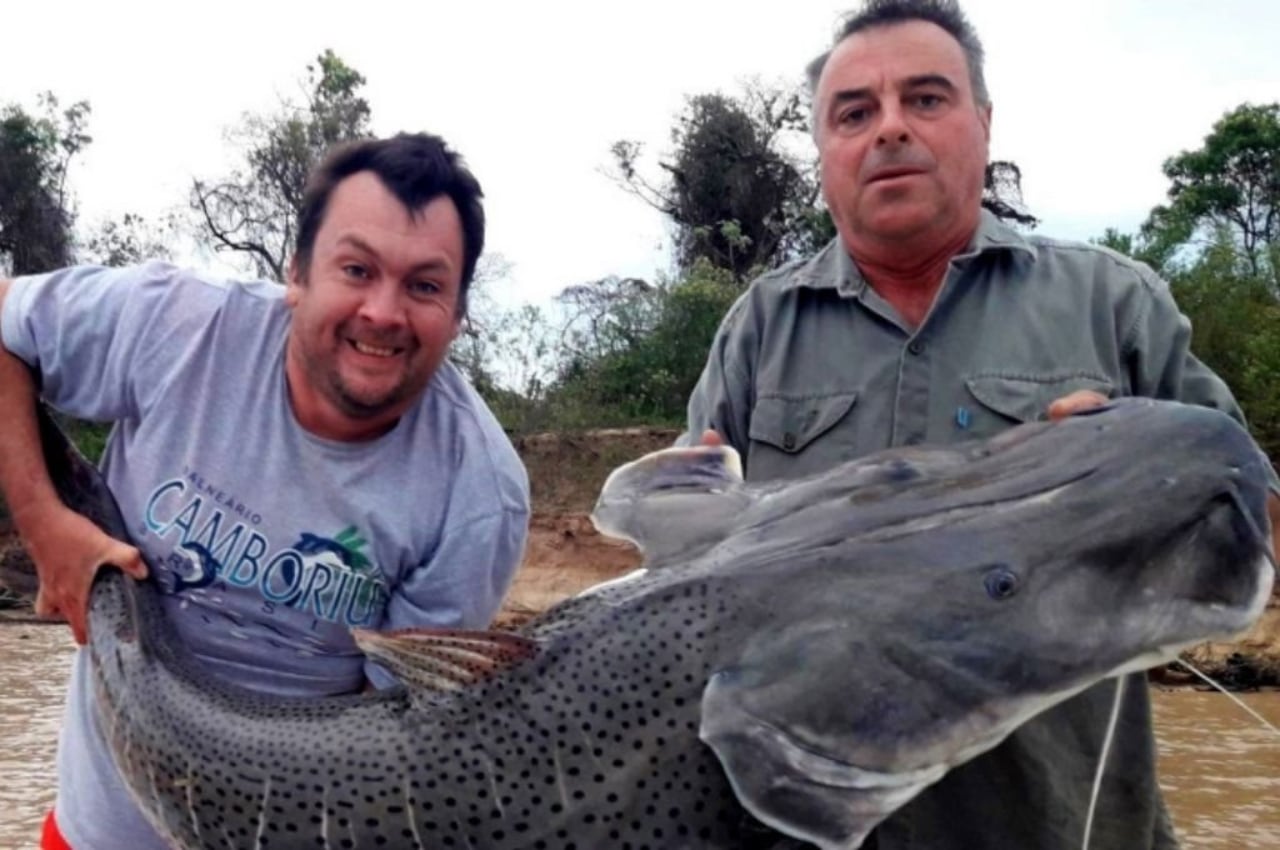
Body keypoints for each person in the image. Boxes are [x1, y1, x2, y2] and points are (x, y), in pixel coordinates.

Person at [681, 1, 1279, 848]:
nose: (889, 129)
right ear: (823, 151)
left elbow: (1260, 520)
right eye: (855, 112)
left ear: (984, 125)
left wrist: (1151, 487)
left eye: (926, 99)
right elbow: (684, 583)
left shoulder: (1113, 304)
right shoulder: (757, 329)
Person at [0, 132, 531, 850]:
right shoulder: (174, 323)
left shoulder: (480, 496)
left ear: (459, 314)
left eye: (425, 285)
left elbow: (391, 739)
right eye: (355, 268)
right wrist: (43, 523)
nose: (383, 311)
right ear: (297, 274)